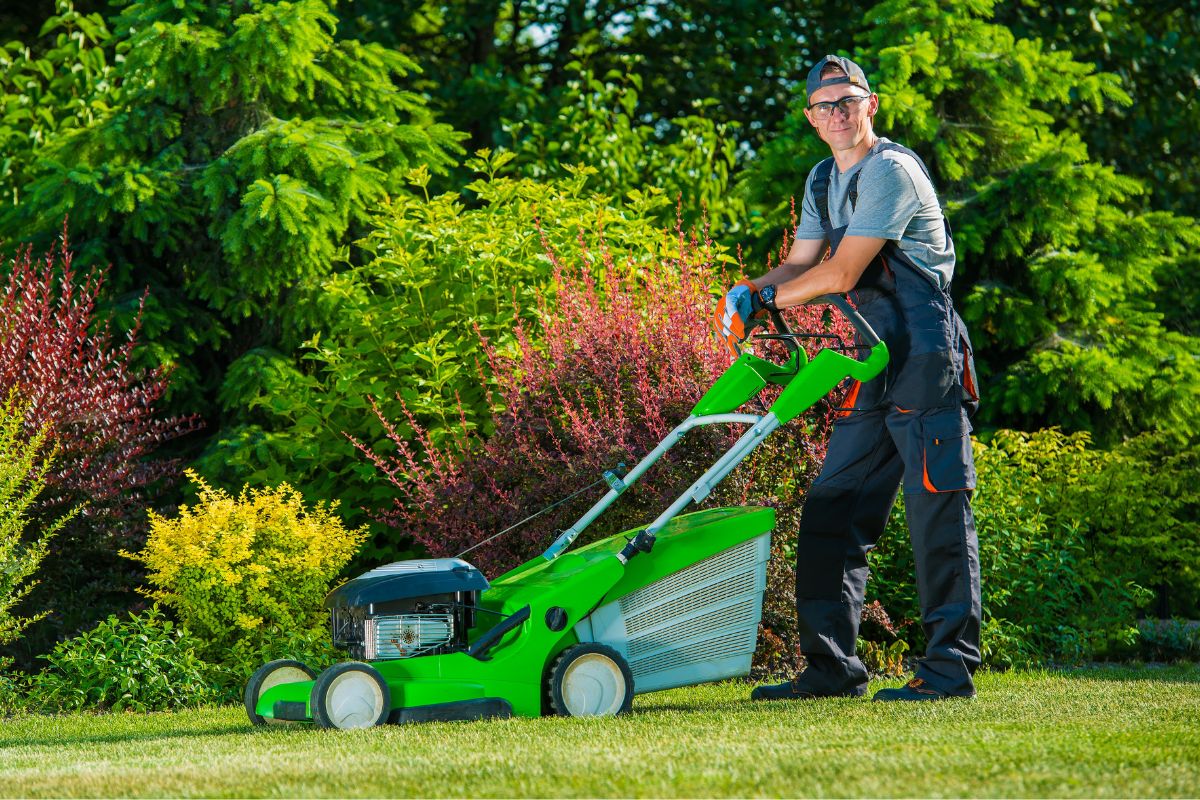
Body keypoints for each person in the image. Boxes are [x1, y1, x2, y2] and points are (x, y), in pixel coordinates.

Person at [714, 55, 981, 701]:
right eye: (824, 104)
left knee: (935, 510)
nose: (836, 112)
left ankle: (948, 673)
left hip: (926, 358)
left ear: (871, 105)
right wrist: (749, 290)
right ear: (810, 117)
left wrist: (774, 303)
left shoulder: (890, 169)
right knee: (833, 504)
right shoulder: (821, 179)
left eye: (847, 100)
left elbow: (839, 274)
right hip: (876, 359)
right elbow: (801, 262)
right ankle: (831, 667)